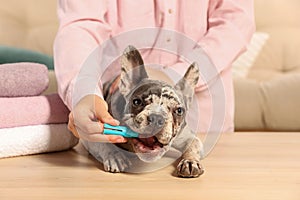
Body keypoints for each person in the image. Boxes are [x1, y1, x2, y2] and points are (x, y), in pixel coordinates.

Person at [54, 0, 255, 143]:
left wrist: (172, 76)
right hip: (117, 125)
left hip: (203, 122)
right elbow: (80, 26)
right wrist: (84, 93)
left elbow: (236, 23)